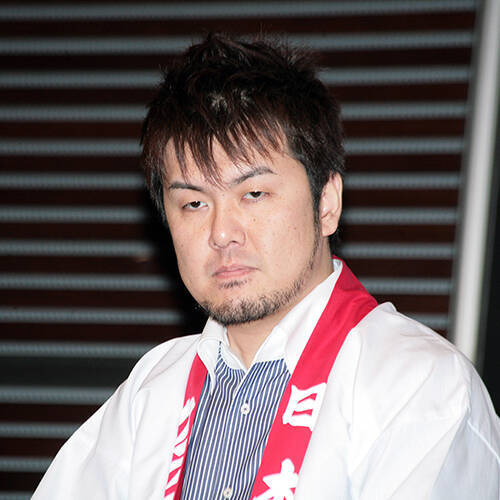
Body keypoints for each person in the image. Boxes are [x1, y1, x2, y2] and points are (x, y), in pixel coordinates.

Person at [33, 33, 499, 500]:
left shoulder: (418, 385)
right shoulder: (151, 391)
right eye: (194, 203)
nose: (221, 233)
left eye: (253, 194)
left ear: (326, 203)